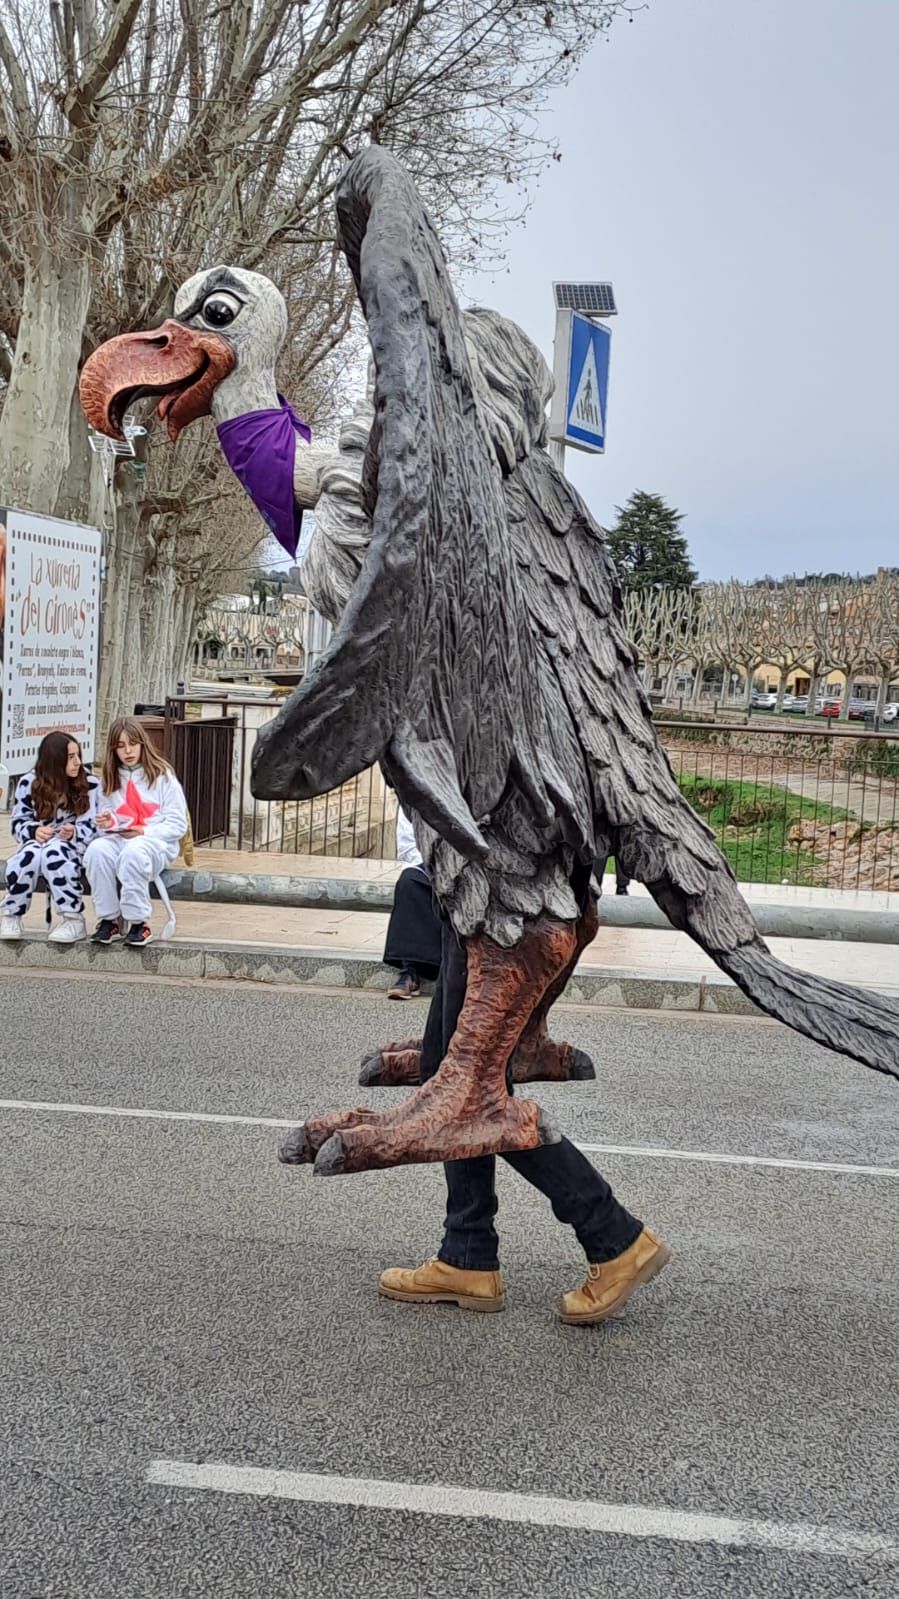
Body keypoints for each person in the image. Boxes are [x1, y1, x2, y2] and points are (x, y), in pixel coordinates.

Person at [379, 887, 670, 1326]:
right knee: (450, 1078)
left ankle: (614, 1236)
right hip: (480, 904)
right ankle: (467, 1253)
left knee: (469, 1093)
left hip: (502, 905)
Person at [84, 718, 188, 948]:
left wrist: (145, 830)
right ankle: (109, 919)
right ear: (113, 750)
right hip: (120, 838)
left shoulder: (163, 776)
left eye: (132, 744)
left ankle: (139, 922)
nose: (128, 751)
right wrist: (108, 821)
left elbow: (178, 824)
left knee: (134, 852)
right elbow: (110, 817)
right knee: (96, 851)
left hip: (155, 843)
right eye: (120, 746)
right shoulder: (109, 780)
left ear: (143, 743)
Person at [1, 732, 100, 944]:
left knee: (55, 855)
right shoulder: (29, 783)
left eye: (78, 755)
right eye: (71, 757)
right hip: (38, 843)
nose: (78, 762)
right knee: (26, 858)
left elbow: (94, 824)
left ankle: (73, 918)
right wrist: (33, 830)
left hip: (73, 848)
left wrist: (73, 832)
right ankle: (12, 914)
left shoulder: (90, 783)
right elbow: (18, 822)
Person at [383, 807, 442, 1000]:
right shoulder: (410, 798)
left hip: (467, 867)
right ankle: (411, 971)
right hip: (428, 865)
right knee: (410, 882)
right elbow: (408, 847)